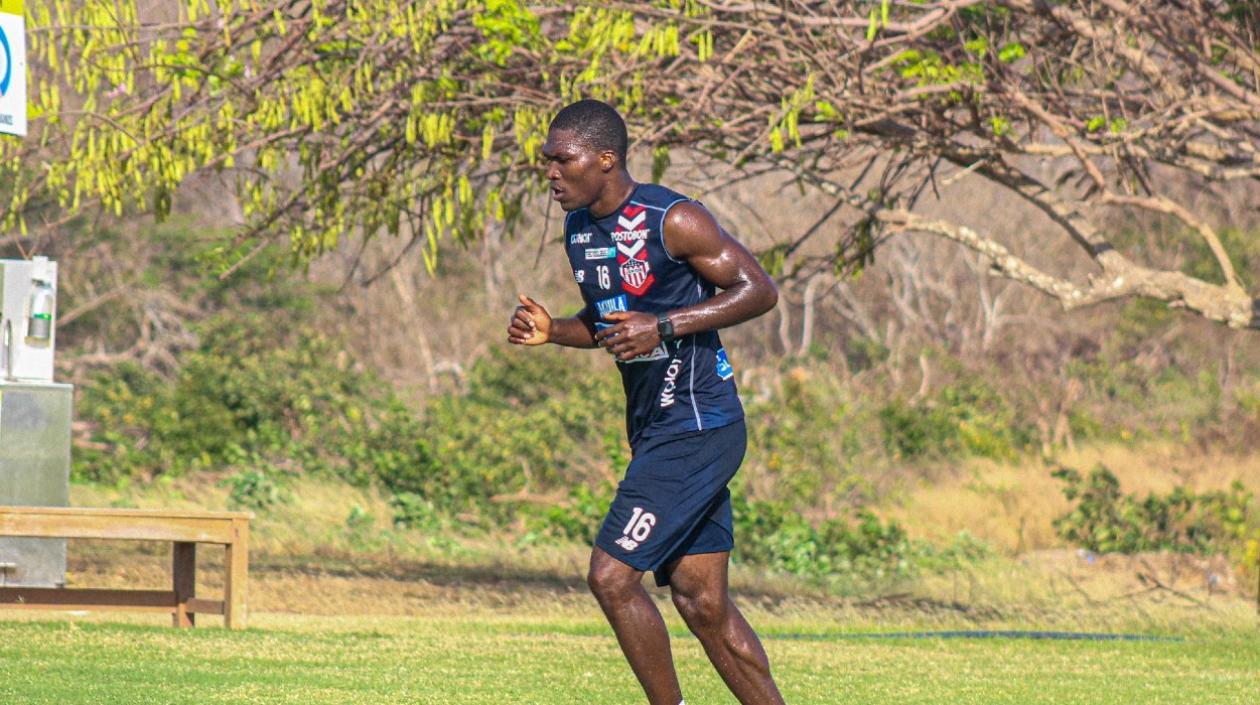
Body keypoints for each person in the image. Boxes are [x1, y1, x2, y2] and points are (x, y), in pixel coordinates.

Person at [507, 99, 786, 705]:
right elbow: (609, 323)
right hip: (656, 427)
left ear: (606, 159)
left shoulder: (673, 219)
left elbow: (758, 290)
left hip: (698, 424)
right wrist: (555, 330)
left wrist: (665, 326)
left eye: (563, 160)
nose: (550, 173)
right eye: (545, 161)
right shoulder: (579, 229)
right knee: (701, 601)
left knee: (610, 578)